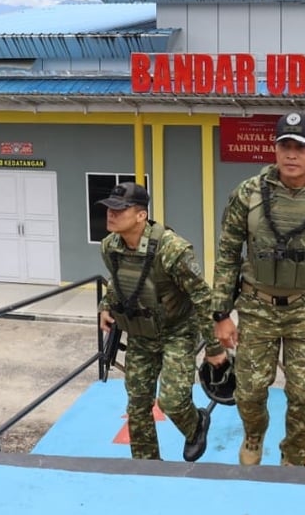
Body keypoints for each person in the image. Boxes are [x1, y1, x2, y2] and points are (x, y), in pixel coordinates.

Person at [211, 111, 305, 467]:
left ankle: (293, 458)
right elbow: (227, 254)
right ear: (275, 150)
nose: (292, 154)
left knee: (304, 395)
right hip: (257, 306)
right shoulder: (247, 194)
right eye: (285, 146)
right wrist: (220, 314)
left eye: (301, 147)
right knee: (249, 390)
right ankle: (253, 435)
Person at [96, 182, 225, 462]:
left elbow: (202, 297)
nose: (111, 214)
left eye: (119, 209)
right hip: (140, 333)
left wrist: (214, 348)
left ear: (141, 215)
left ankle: (195, 425)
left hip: (177, 331)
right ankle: (147, 465)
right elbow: (117, 281)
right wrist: (106, 305)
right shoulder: (109, 246)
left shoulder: (172, 249)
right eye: (109, 208)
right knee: (137, 404)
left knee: (172, 401)